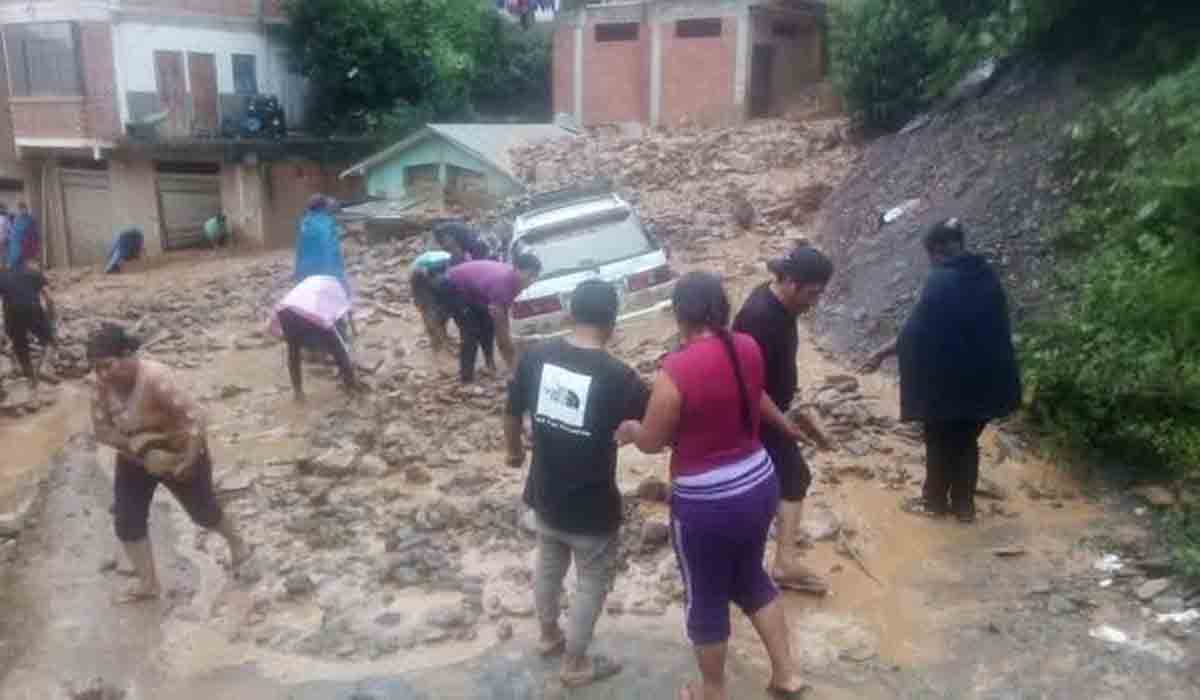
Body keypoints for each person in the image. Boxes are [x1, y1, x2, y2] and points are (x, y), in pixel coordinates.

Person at [617, 272, 812, 700]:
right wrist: (785, 425)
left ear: (678, 315)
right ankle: (786, 675)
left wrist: (631, 429)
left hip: (707, 503)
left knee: (705, 596)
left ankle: (712, 691)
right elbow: (755, 395)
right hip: (759, 481)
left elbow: (651, 441)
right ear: (722, 309)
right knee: (750, 577)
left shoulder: (676, 369)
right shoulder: (747, 346)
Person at [504, 279, 649, 689]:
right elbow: (655, 428)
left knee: (548, 565)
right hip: (591, 505)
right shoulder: (621, 378)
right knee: (591, 581)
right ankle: (575, 664)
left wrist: (513, 454)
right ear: (613, 323)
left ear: (569, 313)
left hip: (545, 493)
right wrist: (633, 433)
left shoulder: (536, 357)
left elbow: (511, 411)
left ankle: (549, 636)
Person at [861, 219, 1021, 523]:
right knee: (966, 441)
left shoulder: (940, 280)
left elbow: (915, 332)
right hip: (988, 384)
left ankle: (934, 502)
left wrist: (881, 353)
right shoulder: (985, 274)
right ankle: (964, 507)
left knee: (939, 440)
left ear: (935, 251)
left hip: (949, 385)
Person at [88, 325, 248, 603]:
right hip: (135, 457)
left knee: (203, 513)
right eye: (96, 368)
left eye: (108, 365)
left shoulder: (156, 379)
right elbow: (102, 431)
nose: (103, 374)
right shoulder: (101, 387)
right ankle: (148, 584)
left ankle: (237, 542)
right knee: (127, 520)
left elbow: (196, 418)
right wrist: (141, 448)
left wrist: (189, 459)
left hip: (180, 450)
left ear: (128, 355)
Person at [733, 245, 835, 595]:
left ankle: (762, 558)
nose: (815, 302)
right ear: (791, 283)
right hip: (757, 415)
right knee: (793, 478)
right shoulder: (759, 318)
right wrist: (783, 422)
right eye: (812, 293)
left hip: (772, 410)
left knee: (775, 482)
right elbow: (748, 383)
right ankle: (782, 564)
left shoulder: (783, 305)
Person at [435, 254, 542, 384]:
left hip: (474, 291)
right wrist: (514, 369)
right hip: (452, 285)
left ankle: (490, 366)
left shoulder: (517, 281)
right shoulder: (503, 285)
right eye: (529, 275)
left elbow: (503, 312)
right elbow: (502, 337)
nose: (531, 280)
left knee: (488, 325)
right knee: (470, 332)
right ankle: (466, 380)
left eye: (535, 276)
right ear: (516, 269)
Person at [268, 275, 358, 402]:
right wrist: (352, 331)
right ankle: (351, 387)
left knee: (293, 351)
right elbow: (341, 315)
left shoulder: (316, 282)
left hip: (287, 311)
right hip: (311, 312)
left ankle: (298, 393)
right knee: (337, 348)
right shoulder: (337, 289)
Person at [0, 265, 55, 391]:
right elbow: (49, 298)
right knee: (50, 342)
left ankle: (31, 383)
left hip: (12, 315)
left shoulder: (2, 275)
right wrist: (51, 317)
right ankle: (44, 367)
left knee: (21, 349)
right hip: (33, 310)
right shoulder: (34, 272)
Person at [295, 195, 348, 293]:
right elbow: (331, 249)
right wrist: (341, 280)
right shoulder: (327, 223)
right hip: (325, 273)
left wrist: (298, 276)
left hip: (306, 274)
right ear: (324, 207)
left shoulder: (305, 223)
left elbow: (300, 252)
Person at [410, 249, 454, 354]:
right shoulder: (418, 274)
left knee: (441, 320)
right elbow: (418, 292)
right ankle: (438, 346)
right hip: (425, 300)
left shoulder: (438, 269)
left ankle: (443, 340)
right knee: (432, 323)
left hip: (436, 300)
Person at [8, 202, 38, 270]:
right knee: (15, 258)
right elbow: (14, 231)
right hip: (17, 242)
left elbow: (34, 232)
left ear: (26, 209)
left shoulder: (30, 219)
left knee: (25, 260)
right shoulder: (17, 219)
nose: (23, 211)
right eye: (21, 209)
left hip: (26, 242)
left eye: (24, 209)